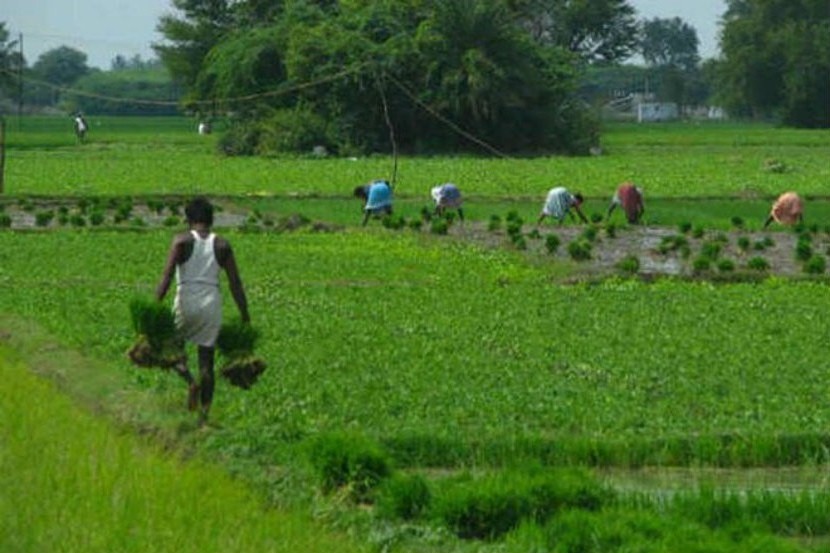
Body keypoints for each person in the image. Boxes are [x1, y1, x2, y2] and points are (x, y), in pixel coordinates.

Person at [155, 197, 250, 422]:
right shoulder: (222, 245)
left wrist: (155, 306)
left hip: (186, 299)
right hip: (211, 303)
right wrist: (245, 314)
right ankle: (204, 417)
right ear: (211, 219)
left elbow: (167, 276)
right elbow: (235, 283)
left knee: (171, 349)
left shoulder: (181, 242)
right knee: (206, 361)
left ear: (189, 219)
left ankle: (190, 381)